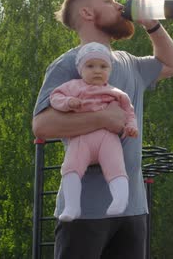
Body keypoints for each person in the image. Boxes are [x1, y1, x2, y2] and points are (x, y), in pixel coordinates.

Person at [32, 0, 173, 258]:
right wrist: (102, 118)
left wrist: (152, 25)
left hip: (133, 209)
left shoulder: (128, 62)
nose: (117, 4)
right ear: (88, 13)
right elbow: (42, 125)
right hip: (85, 212)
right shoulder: (69, 64)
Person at [50, 42, 139, 222]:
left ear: (110, 70)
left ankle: (120, 200)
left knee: (115, 166)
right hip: (80, 138)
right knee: (70, 167)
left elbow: (129, 112)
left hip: (108, 139)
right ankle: (72, 206)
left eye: (103, 66)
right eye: (90, 66)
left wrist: (132, 126)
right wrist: (68, 102)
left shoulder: (116, 93)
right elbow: (55, 97)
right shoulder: (73, 86)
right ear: (80, 69)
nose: (97, 70)